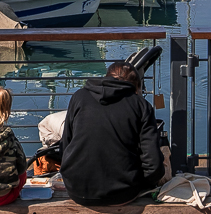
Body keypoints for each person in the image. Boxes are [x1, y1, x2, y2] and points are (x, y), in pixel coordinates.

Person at [59, 61, 165, 206]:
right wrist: (146, 182)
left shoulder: (79, 97)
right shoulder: (141, 105)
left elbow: (66, 145)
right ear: (136, 87)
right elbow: (153, 165)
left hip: (77, 189)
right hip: (122, 193)